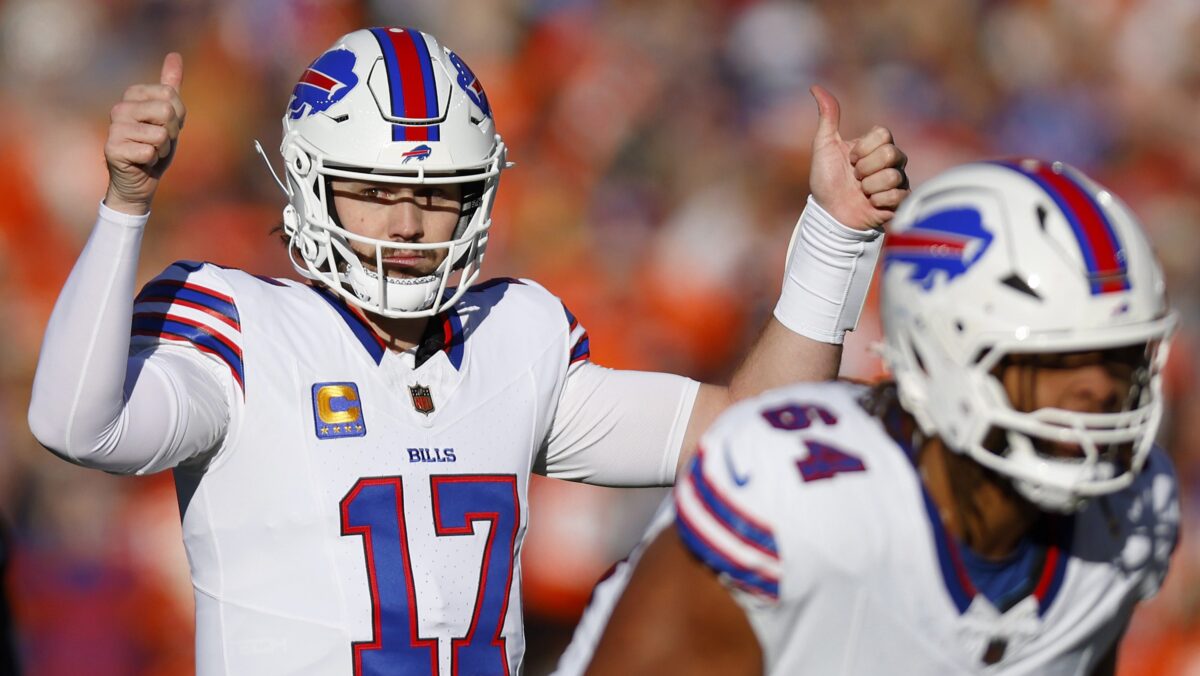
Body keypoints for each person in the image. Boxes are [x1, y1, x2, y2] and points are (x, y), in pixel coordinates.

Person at [27, 27, 908, 675]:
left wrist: (834, 238)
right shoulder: (244, 327)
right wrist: (125, 204)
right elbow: (75, 424)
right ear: (311, 187)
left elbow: (752, 427)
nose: (409, 224)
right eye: (375, 191)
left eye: (438, 193)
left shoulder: (512, 336)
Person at [569, 159, 1180, 675]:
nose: (1099, 389)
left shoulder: (1129, 515)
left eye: (1120, 358)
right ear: (943, 353)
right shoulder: (798, 501)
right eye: (1059, 360)